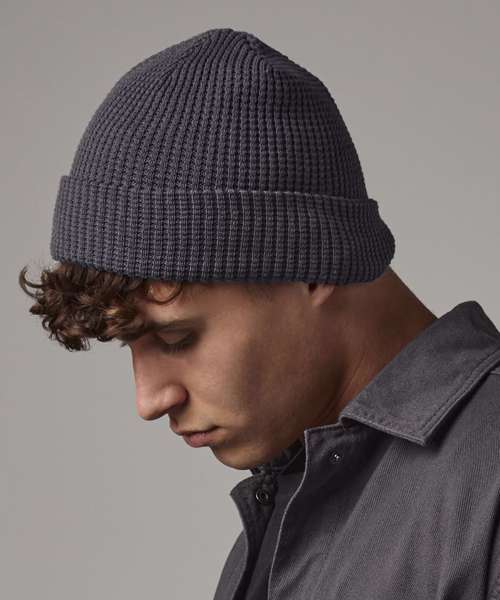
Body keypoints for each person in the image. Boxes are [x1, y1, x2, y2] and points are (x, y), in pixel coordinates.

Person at [18, 27, 500, 600]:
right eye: (131, 344)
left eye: (176, 339)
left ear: (315, 265)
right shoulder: (303, 482)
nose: (149, 400)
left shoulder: (485, 489)